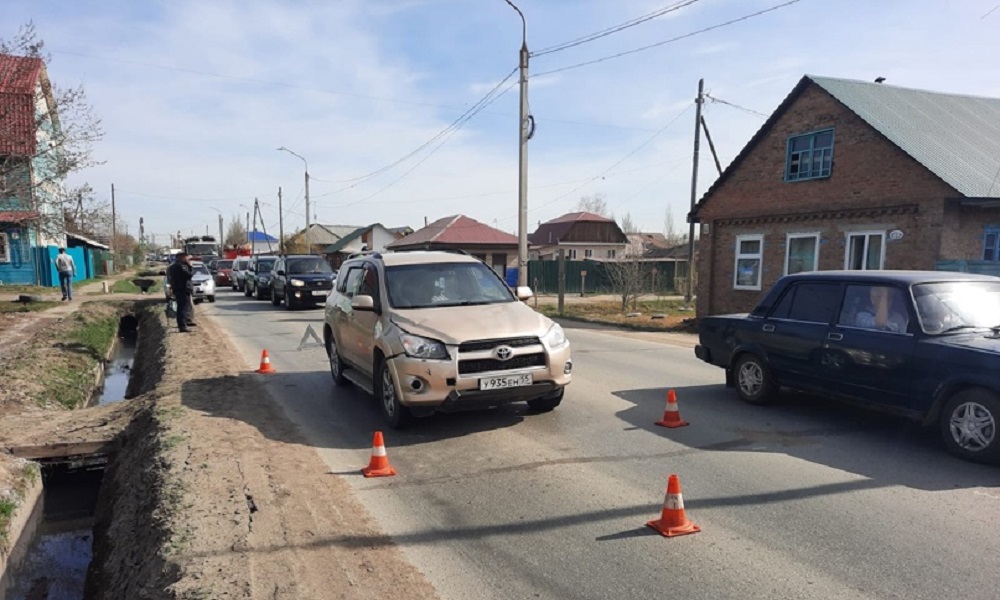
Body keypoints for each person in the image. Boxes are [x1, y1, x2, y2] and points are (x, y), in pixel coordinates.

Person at [166, 252, 195, 332]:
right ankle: (183, 326)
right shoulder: (181, 266)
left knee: (181, 307)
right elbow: (188, 275)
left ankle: (183, 324)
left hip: (178, 289)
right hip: (182, 289)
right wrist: (190, 266)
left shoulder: (173, 266)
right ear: (181, 257)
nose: (187, 258)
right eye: (185, 257)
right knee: (183, 308)